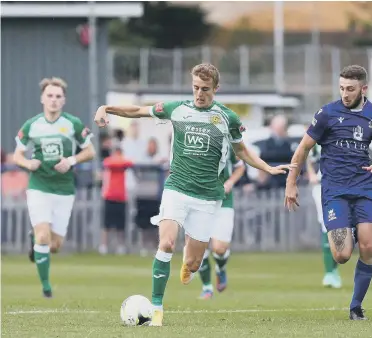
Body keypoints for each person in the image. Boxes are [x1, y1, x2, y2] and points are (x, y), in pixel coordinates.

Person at [93, 63, 295, 327]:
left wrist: (267, 166)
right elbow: (139, 111)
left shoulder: (227, 118)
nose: (200, 94)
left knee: (194, 262)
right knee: (165, 244)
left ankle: (190, 262)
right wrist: (106, 108)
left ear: (216, 89)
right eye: (196, 88)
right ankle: (157, 309)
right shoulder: (177, 109)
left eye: (206, 90)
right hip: (176, 188)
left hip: (208, 197)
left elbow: (242, 151)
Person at [285, 65, 372, 320]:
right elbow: (302, 150)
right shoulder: (326, 114)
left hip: (366, 187)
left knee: (367, 247)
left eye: (351, 89)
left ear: (363, 89)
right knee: (342, 255)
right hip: (334, 190)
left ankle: (356, 306)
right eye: (342, 88)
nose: (345, 94)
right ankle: (350, 228)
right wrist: (291, 183)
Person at [13, 77, 95, 298]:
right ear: (42, 98)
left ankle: (35, 239)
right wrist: (28, 163)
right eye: (49, 95)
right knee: (43, 237)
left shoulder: (73, 124)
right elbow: (17, 155)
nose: (53, 100)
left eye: (58, 96)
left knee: (55, 245)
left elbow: (90, 151)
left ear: (64, 100)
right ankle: (46, 288)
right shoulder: (32, 125)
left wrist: (71, 161)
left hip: (64, 189)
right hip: (39, 185)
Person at [189, 150, 246, 299]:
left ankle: (221, 267)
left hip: (223, 201)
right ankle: (207, 287)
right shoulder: (193, 141)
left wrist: (230, 182)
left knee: (219, 249)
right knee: (198, 247)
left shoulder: (227, 141)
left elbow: (240, 167)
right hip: (199, 201)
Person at [307, 143, 342, 288]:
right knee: (326, 224)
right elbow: (308, 156)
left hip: (341, 185)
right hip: (322, 185)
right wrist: (311, 175)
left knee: (340, 227)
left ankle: (334, 268)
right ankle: (329, 272)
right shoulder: (318, 137)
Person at [99, 146, 133, 255]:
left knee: (120, 225)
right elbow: (107, 163)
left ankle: (120, 246)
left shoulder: (124, 163)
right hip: (109, 196)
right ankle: (104, 245)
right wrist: (119, 161)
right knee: (106, 224)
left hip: (121, 197)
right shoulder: (109, 162)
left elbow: (130, 163)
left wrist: (120, 161)